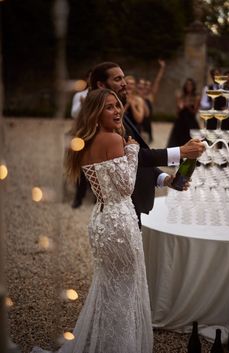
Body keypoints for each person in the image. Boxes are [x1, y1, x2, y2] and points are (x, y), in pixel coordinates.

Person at [31, 88, 153, 353]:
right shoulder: (112, 139)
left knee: (110, 289)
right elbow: (126, 186)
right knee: (123, 291)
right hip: (119, 222)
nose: (117, 110)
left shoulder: (87, 139)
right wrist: (132, 151)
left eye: (118, 105)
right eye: (109, 107)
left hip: (101, 220)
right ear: (97, 113)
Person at [89, 62, 205, 225]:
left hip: (136, 207)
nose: (124, 83)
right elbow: (136, 156)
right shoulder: (100, 122)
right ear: (101, 84)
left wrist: (164, 179)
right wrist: (181, 152)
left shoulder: (116, 114)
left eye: (123, 77)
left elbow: (138, 155)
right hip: (123, 210)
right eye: (118, 79)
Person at [70, 71, 91, 208]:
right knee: (82, 165)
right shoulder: (79, 95)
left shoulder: (103, 95)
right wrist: (83, 105)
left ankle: (97, 198)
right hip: (83, 133)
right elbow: (73, 114)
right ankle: (79, 197)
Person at [167, 78, 200, 147]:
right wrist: (179, 103)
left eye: (190, 85)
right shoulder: (182, 96)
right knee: (177, 143)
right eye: (187, 84)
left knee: (192, 142)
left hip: (191, 122)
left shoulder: (196, 97)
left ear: (193, 86)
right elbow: (177, 112)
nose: (189, 86)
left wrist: (187, 105)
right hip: (180, 122)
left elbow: (194, 112)